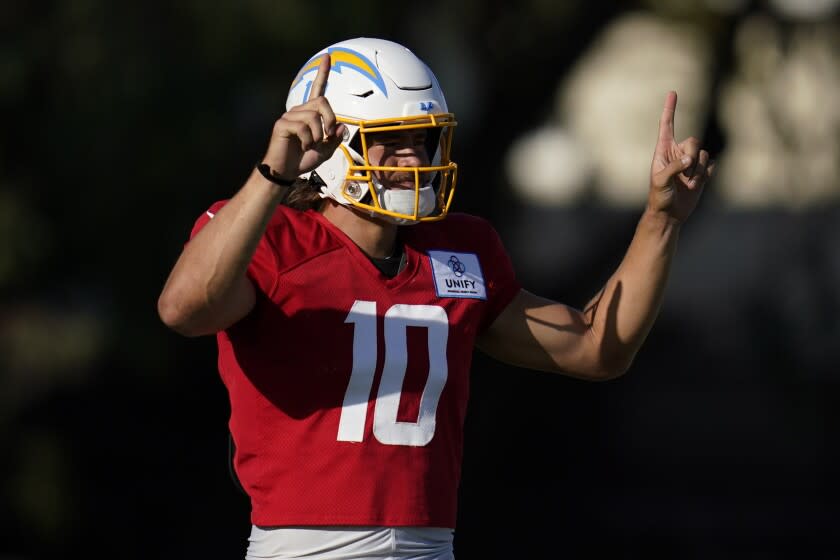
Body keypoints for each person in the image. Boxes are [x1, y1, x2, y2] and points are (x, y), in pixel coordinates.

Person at [157, 37, 714, 560]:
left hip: (430, 546)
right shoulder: (269, 237)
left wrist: (661, 220)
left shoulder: (458, 250)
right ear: (330, 146)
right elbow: (183, 309)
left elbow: (598, 347)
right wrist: (271, 175)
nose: (413, 158)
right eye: (391, 140)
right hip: (306, 548)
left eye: (420, 139)